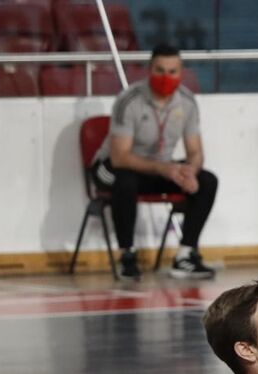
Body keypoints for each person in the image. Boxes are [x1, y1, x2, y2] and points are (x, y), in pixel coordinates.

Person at [92, 44, 217, 281]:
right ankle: (127, 256)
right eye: (160, 70)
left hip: (159, 169)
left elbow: (195, 151)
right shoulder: (129, 100)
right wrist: (166, 169)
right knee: (125, 181)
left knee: (207, 181)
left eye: (172, 71)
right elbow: (119, 157)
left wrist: (190, 171)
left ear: (181, 73)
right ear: (149, 70)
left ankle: (185, 255)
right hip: (112, 167)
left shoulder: (188, 102)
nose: (166, 77)